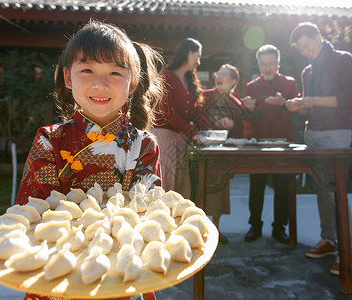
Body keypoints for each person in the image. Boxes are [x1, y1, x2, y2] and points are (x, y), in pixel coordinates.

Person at [15, 20, 164, 300]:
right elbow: (32, 217)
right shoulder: (49, 140)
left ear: (131, 83)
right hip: (59, 272)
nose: (100, 83)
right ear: (67, 77)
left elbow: (150, 220)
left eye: (115, 72)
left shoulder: (143, 145)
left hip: (121, 273)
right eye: (87, 70)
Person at [286, 21, 352, 275]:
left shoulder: (344, 59)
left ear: (317, 36)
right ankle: (328, 239)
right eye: (301, 49)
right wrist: (299, 106)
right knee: (320, 188)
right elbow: (310, 105)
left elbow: (350, 97)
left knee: (335, 190)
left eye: (307, 45)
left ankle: (345, 251)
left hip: (336, 133)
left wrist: (313, 101)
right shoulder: (308, 71)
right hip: (313, 132)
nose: (305, 51)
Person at [241, 44, 300, 244]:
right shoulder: (250, 86)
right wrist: (247, 109)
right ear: (259, 65)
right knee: (256, 185)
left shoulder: (289, 83)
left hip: (284, 142)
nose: (267, 68)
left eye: (271, 64)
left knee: (282, 186)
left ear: (278, 63)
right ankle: (254, 225)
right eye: (263, 64)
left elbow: (299, 112)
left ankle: (279, 228)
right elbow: (245, 118)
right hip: (258, 143)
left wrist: (283, 103)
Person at [197, 63, 245, 243]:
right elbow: (197, 118)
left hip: (222, 155)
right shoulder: (204, 96)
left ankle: (216, 229)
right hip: (202, 152)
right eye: (219, 72)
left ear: (233, 81)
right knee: (198, 189)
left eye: (224, 74)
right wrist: (215, 123)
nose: (219, 75)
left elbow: (240, 130)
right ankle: (198, 229)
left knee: (220, 191)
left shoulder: (236, 103)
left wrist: (233, 126)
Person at [153, 38, 203, 199]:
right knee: (166, 187)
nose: (199, 62)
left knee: (181, 188)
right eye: (198, 56)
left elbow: (194, 113)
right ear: (189, 53)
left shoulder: (189, 80)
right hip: (165, 137)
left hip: (182, 139)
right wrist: (192, 131)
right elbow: (167, 112)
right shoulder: (166, 76)